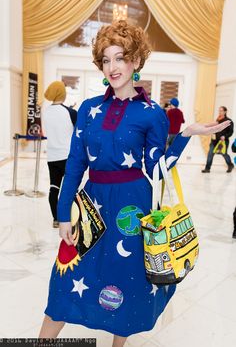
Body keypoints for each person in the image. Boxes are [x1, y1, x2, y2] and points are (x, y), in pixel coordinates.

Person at [39, 20, 231, 347]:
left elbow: (158, 169)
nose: (112, 67)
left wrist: (185, 135)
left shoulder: (152, 113)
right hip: (92, 207)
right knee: (63, 283)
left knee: (125, 283)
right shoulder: (88, 109)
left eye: (120, 58)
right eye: (106, 59)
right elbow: (74, 165)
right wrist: (64, 214)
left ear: (136, 61)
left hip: (132, 208)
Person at [43, 81, 77, 228]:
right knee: (70, 189)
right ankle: (71, 217)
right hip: (67, 156)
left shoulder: (45, 111)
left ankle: (56, 219)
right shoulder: (70, 113)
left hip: (52, 156)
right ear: (63, 93)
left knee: (54, 187)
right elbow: (78, 132)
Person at [202, 106, 234, 173]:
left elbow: (231, 132)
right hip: (214, 141)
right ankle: (207, 168)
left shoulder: (229, 121)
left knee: (224, 154)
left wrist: (225, 136)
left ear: (225, 111)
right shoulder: (217, 120)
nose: (220, 112)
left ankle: (230, 165)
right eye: (219, 110)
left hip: (223, 142)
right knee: (210, 153)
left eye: (221, 111)